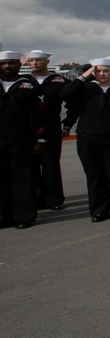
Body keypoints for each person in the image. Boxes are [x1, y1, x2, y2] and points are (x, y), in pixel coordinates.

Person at [61, 58, 110, 222]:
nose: (102, 74)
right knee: (94, 175)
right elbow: (64, 94)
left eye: (106, 71)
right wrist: (84, 76)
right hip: (88, 138)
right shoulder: (85, 89)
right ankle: (98, 210)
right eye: (98, 71)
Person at [24, 49, 77, 211]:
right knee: (29, 166)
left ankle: (54, 199)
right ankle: (36, 199)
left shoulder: (59, 81)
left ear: (47, 62)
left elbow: (73, 104)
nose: (34, 63)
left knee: (50, 165)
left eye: (38, 60)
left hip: (51, 127)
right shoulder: (24, 81)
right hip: (27, 129)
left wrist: (67, 125)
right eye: (31, 61)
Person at [0, 51, 45, 229]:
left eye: (11, 63)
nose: (7, 67)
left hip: (22, 139)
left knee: (23, 179)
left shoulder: (29, 86)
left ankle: (24, 216)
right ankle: (3, 217)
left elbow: (40, 114)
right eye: (3, 63)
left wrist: (40, 139)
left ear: (19, 65)